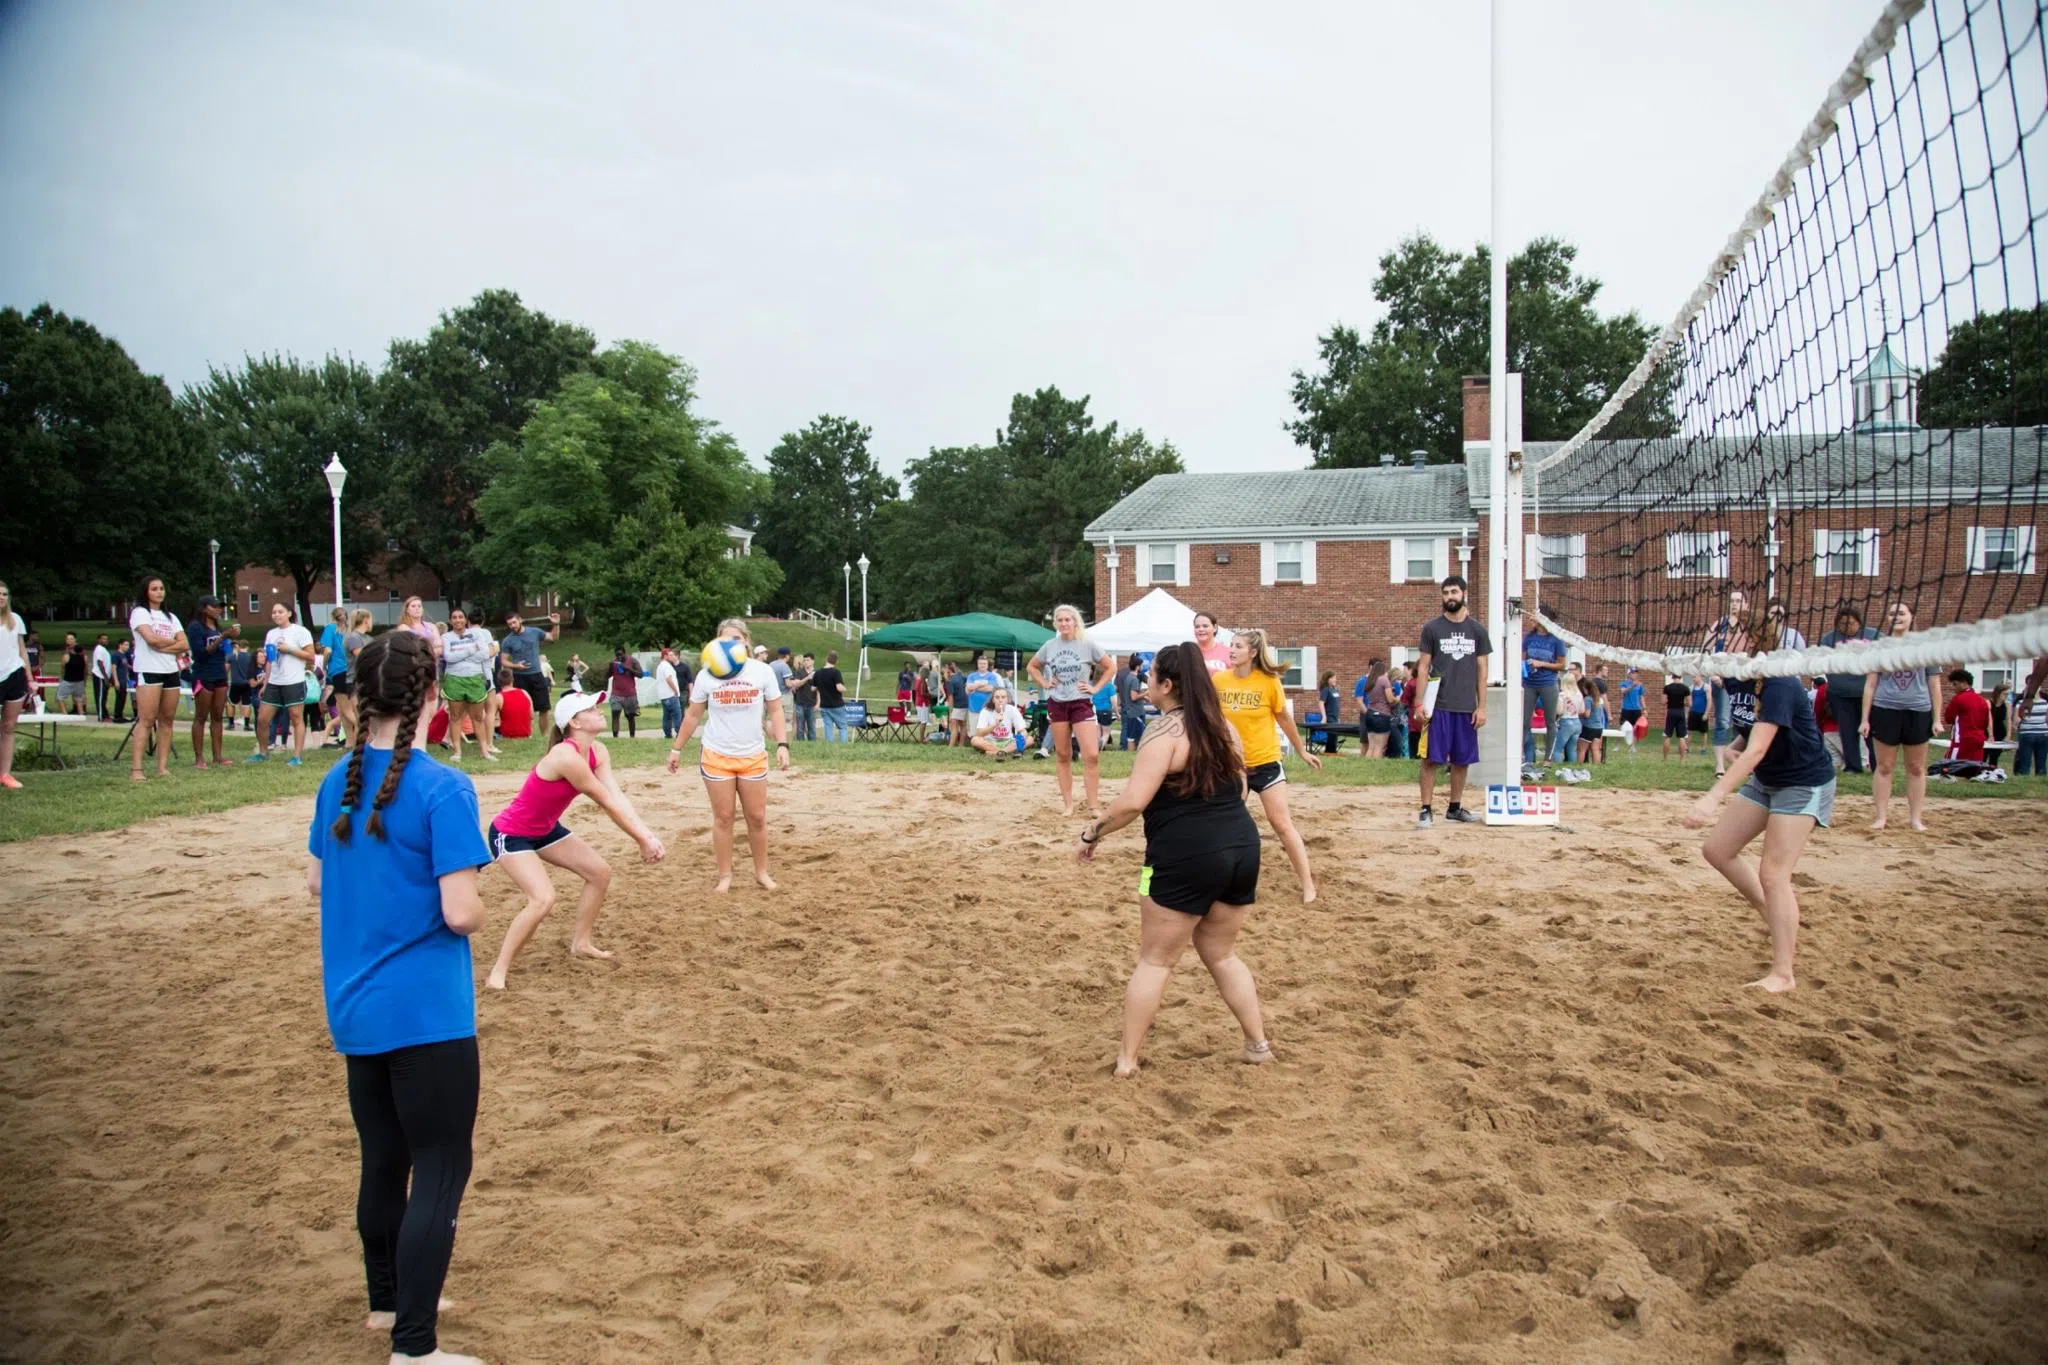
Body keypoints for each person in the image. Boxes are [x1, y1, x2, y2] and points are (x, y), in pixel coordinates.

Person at [304, 628, 492, 1365]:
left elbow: (318, 880)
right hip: (426, 1012)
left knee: (384, 1158)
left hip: (355, 1007)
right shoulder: (444, 785)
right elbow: (460, 912)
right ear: (434, 696)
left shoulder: (338, 780)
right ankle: (415, 1347)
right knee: (441, 1167)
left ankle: (388, 1304)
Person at [1075, 641, 1271, 1078]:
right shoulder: (1225, 728)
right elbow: (1241, 791)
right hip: (1242, 847)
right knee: (1222, 954)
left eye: (1151, 678)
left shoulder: (1163, 731)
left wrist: (1092, 833)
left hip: (1185, 855)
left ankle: (1127, 1060)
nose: (1146, 685)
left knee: (1155, 960)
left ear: (1167, 684)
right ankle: (1257, 1045)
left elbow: (1132, 803)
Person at [1683, 609, 1836, 993]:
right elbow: (1752, 730)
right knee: (1717, 850)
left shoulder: (1779, 681)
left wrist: (1713, 797)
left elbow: (1759, 747)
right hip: (1769, 778)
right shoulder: (1737, 676)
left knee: (1773, 874)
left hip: (1802, 781)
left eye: (1726, 631)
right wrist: (1737, 743)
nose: (1718, 637)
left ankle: (1783, 974)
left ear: (1751, 640)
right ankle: (1773, 915)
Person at [486, 690, 666, 990]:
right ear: (574, 723)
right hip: (511, 833)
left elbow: (617, 796)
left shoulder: (598, 751)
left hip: (544, 830)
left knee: (599, 873)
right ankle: (498, 971)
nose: (599, 711)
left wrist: (647, 833)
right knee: (542, 899)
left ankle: (581, 943)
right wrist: (641, 841)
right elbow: (605, 802)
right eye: (590, 709)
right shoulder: (565, 756)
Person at [665, 619, 792, 892]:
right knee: (724, 818)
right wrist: (677, 749)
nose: (730, 644)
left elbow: (776, 711)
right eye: (724, 639)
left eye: (735, 639)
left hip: (753, 755)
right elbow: (693, 715)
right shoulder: (707, 675)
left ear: (746, 641)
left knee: (756, 818)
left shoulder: (761, 671)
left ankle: (762, 873)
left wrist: (782, 744)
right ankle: (725, 876)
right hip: (717, 754)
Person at [1214, 626, 1323, 901]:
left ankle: (1307, 884)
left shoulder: (1268, 681)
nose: (1232, 650)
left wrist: (1301, 751)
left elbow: (1284, 719)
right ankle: (1222, 882)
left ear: (1252, 652)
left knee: (1281, 823)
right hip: (1233, 765)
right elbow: (1214, 721)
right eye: (1232, 645)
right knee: (1227, 824)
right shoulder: (1220, 681)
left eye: (1238, 646)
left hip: (1265, 761)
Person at [1415, 576, 1491, 827]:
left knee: (1462, 759)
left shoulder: (1477, 630)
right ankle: (1426, 809)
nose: (1450, 597)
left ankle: (1454, 807)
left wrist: (1482, 706)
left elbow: (1482, 669)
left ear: (1464, 593)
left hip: (1466, 705)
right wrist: (1419, 703)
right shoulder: (1432, 629)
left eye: (1454, 592)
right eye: (1445, 592)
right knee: (1430, 759)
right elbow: (1423, 667)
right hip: (1438, 704)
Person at [1861, 602, 1942, 832]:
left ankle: (1915, 819)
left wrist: (1937, 718)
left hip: (1918, 711)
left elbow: (1934, 685)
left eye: (1901, 613)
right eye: (1891, 613)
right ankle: (1881, 818)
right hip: (1885, 709)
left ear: (1911, 616)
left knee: (1916, 767)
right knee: (1884, 766)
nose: (1896, 617)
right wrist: (1864, 719)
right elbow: (1870, 685)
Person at [1028, 605, 1115, 816]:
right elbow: (1032, 666)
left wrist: (1094, 687)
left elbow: (1111, 667)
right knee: (1063, 754)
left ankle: (1093, 805)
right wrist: (1045, 682)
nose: (1064, 623)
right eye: (1060, 620)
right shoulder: (1050, 646)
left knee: (1091, 754)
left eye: (1068, 619)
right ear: (1055, 623)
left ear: (1075, 621)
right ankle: (1068, 805)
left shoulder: (1087, 644)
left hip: (1081, 702)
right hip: (1057, 702)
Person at [129, 576, 189, 782]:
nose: (159, 592)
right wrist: (173, 644)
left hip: (170, 670)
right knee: (146, 720)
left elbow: (184, 644)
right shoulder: (140, 613)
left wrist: (167, 645)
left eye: (162, 588)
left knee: (167, 720)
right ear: (146, 592)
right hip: (149, 669)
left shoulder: (171, 617)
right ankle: (136, 769)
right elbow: (151, 640)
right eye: (154, 589)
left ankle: (162, 767)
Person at [246, 601, 316, 766]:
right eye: (274, 612)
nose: (276, 615)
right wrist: (265, 682)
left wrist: (289, 649)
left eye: (280, 612)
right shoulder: (271, 633)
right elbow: (270, 661)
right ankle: (263, 753)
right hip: (274, 682)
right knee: (263, 719)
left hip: (294, 681)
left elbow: (311, 656)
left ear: (289, 613)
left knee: (296, 718)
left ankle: (297, 756)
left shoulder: (301, 632)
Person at [1819, 606, 1879, 773]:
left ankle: (1877, 765)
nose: (1847, 627)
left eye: (1851, 623)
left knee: (1872, 731)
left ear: (1859, 623)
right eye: (1843, 624)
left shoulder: (1873, 636)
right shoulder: (1829, 639)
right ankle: (1853, 766)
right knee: (1847, 731)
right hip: (1840, 694)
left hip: (1867, 693)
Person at [186, 596, 240, 768]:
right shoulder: (195, 627)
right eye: (215, 606)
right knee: (201, 717)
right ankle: (199, 758)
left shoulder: (216, 627)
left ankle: (218, 756)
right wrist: (223, 637)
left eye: (220, 607)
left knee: (217, 717)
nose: (219, 609)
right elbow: (200, 653)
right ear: (204, 608)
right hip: (203, 674)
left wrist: (229, 639)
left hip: (219, 673)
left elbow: (223, 651)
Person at [498, 611, 561, 717]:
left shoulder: (534, 632)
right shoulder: (507, 641)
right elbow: (503, 661)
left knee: (544, 709)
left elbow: (553, 637)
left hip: (537, 674)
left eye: (514, 622)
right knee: (523, 709)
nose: (512, 626)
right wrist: (516, 666)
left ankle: (544, 734)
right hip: (519, 677)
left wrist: (556, 624)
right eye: (510, 624)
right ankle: (527, 732)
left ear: (520, 620)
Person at [1522, 619, 1568, 764]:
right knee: (1524, 721)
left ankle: (1548, 758)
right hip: (1529, 683)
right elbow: (1523, 658)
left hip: (1548, 683)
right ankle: (1522, 755)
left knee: (1550, 722)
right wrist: (1526, 665)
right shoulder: (1529, 638)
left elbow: (1562, 665)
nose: (1533, 620)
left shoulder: (1556, 640)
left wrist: (1541, 663)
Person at [0, 582, 26, 790]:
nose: (2, 597)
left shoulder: (15, 619)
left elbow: (21, 649)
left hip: (14, 674)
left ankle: (5, 773)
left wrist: (30, 677)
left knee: (9, 726)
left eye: (5, 594)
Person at [335, 609, 373, 747]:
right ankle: (360, 751)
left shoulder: (368, 639)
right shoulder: (353, 638)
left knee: (370, 720)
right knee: (361, 719)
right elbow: (363, 656)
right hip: (356, 681)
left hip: (369, 681)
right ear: (366, 620)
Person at [1942, 670, 1990, 763]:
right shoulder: (1982, 700)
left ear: (1964, 683)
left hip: (1962, 739)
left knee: (1953, 768)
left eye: (1955, 684)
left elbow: (1949, 718)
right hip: (1979, 738)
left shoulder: (1958, 699)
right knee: (1973, 767)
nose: (1953, 688)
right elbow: (1985, 722)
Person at [971, 686, 1030, 758]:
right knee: (975, 740)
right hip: (990, 741)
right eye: (997, 697)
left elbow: (1023, 731)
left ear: (1007, 699)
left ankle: (1001, 751)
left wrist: (1022, 737)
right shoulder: (986, 711)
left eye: (1003, 697)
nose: (1000, 700)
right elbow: (979, 733)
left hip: (1008, 741)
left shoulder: (1012, 710)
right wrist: (995, 724)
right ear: (993, 700)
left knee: (1030, 739)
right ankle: (1001, 751)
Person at [605, 647, 643, 740]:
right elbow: (607, 676)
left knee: (630, 717)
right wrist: (610, 667)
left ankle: (632, 737)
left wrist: (628, 668)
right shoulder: (614, 663)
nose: (619, 657)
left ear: (625, 653)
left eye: (621, 654)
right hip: (616, 694)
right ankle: (615, 738)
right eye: (617, 655)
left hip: (630, 694)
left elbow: (640, 674)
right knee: (615, 715)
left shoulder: (632, 661)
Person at [1548, 667, 1584, 764]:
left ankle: (1557, 767)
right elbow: (1582, 710)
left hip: (1566, 722)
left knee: (1557, 749)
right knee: (1571, 749)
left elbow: (1559, 711)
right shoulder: (1579, 694)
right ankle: (1571, 768)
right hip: (1577, 722)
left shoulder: (1562, 695)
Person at [813, 650, 849, 742]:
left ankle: (829, 745)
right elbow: (839, 687)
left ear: (826, 659)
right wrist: (845, 688)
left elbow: (813, 688)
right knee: (842, 726)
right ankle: (843, 745)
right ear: (837, 661)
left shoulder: (818, 673)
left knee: (828, 726)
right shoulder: (835, 672)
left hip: (824, 705)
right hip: (836, 704)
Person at [1114, 654, 1146, 750]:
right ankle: (1134, 751)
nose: (1142, 667)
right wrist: (1146, 693)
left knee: (1127, 731)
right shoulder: (1135, 679)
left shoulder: (1125, 676)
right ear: (1137, 666)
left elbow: (1116, 689)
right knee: (1137, 735)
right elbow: (1134, 696)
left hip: (1126, 707)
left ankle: (1124, 748)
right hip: (1135, 710)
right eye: (1141, 665)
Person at [2014, 685, 2048, 776]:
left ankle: (2024, 776)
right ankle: (2041, 777)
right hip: (2043, 733)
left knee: (2025, 760)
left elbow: (2016, 721)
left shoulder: (2021, 703)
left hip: (2027, 733)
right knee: (2041, 760)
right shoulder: (2045, 703)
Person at [228, 636, 258, 731]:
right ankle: (246, 724)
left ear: (239, 646)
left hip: (235, 683)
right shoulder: (250, 657)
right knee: (246, 704)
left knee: (231, 704)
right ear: (247, 647)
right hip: (246, 683)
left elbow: (226, 669)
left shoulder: (233, 656)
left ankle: (231, 724)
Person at [655, 646, 684, 739]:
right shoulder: (667, 666)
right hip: (671, 695)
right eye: (670, 655)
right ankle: (679, 733)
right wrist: (675, 691)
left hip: (663, 696)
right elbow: (669, 679)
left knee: (667, 716)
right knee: (677, 715)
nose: (672, 657)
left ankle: (667, 733)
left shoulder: (660, 666)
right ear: (665, 656)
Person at [1579, 674, 1608, 765]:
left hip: (1589, 727)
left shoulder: (1588, 699)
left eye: (1584, 689)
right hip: (1598, 728)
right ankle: (1596, 767)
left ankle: (1578, 766)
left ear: (1587, 689)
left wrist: (1579, 714)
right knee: (1595, 749)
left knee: (1581, 749)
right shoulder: (1598, 699)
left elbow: (1587, 714)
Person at [55, 633, 87, 714]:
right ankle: (81, 715)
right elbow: (85, 669)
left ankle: (65, 714)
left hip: (68, 680)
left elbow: (62, 668)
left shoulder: (66, 656)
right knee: (79, 699)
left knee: (59, 697)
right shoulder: (83, 657)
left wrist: (62, 677)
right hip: (79, 680)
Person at [790, 652, 818, 742]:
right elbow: (797, 685)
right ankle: (800, 745)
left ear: (813, 661)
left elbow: (820, 690)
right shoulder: (799, 672)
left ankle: (812, 745)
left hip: (812, 703)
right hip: (800, 703)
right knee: (800, 727)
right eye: (804, 660)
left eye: (808, 660)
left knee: (812, 727)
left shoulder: (817, 673)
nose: (806, 662)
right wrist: (807, 678)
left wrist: (818, 703)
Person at [964, 653, 1001, 721]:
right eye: (980, 663)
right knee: (974, 731)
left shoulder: (992, 676)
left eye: (984, 663)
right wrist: (983, 684)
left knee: (987, 731)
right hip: (974, 710)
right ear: (977, 665)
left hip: (988, 710)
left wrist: (975, 686)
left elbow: (990, 688)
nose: (982, 665)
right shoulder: (971, 676)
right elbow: (969, 688)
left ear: (987, 665)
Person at [942, 661, 969, 746]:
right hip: (965, 703)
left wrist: (950, 711)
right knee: (963, 725)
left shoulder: (949, 682)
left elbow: (950, 697)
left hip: (957, 705)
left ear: (948, 671)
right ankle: (961, 745)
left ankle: (950, 747)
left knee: (954, 726)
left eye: (944, 672)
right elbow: (966, 682)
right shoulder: (960, 676)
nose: (943, 675)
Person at [1316, 670, 1342, 755]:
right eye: (1333, 678)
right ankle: (1330, 753)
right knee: (1332, 736)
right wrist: (1324, 717)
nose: (1335, 679)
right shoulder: (1326, 690)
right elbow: (1321, 703)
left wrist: (1338, 717)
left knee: (1334, 737)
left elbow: (1336, 704)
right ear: (1328, 679)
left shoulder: (1334, 689)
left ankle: (1331, 752)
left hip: (1335, 717)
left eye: (1335, 678)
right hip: (1329, 717)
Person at [90, 633, 114, 721]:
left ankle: (105, 714)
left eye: (106, 639)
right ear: (98, 640)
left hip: (105, 676)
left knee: (104, 697)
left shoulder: (104, 649)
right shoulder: (99, 649)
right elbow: (100, 663)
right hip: (100, 676)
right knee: (100, 696)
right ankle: (101, 716)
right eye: (103, 639)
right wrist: (105, 677)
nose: (105, 640)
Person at [1987, 682, 2011, 768]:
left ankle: (1992, 771)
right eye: (2004, 694)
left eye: (2008, 694)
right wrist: (1990, 735)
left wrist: (2008, 735)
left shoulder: (2007, 705)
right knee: (1985, 752)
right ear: (1998, 693)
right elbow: (1988, 719)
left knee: (1995, 754)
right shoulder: (1988, 703)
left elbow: (2008, 720)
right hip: (1988, 729)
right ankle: (1980, 771)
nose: (2006, 696)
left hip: (2000, 730)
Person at [1619, 669, 1645, 748]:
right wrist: (1632, 686)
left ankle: (1632, 746)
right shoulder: (1624, 683)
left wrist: (1644, 708)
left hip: (1636, 709)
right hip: (1626, 709)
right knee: (1623, 726)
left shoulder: (1640, 685)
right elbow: (1623, 692)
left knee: (1636, 728)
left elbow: (1641, 697)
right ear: (1629, 674)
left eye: (1636, 673)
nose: (1635, 675)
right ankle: (1618, 744)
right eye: (1633, 673)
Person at [112, 636, 134, 725]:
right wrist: (116, 680)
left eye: (128, 645)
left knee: (123, 698)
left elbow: (126, 666)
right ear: (120, 645)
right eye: (125, 645)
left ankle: (120, 715)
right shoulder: (116, 655)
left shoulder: (123, 655)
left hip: (124, 679)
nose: (127, 646)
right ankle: (117, 717)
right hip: (119, 680)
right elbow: (113, 668)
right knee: (119, 698)